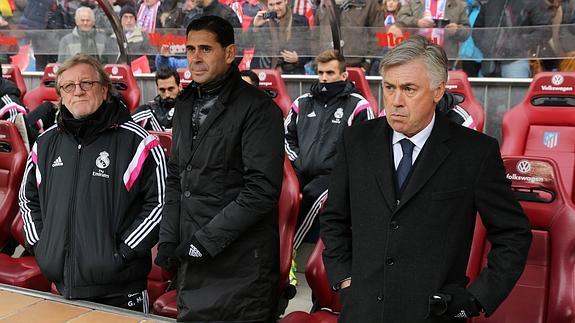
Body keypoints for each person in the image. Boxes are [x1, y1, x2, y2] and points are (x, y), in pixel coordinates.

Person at [320, 35, 532, 322]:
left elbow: (513, 234)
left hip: (432, 313)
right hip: (363, 310)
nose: (395, 101)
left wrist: (476, 297)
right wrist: (344, 279)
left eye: (409, 89)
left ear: (437, 90)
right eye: (389, 87)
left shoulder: (474, 152)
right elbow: (334, 219)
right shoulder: (355, 141)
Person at [154, 15, 284, 322]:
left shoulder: (258, 108)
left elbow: (261, 191)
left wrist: (204, 242)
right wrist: (169, 239)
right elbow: (177, 177)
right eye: (190, 49)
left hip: (240, 269)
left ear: (229, 53)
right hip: (193, 260)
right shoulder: (185, 103)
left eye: (205, 49)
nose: (195, 58)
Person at [18, 54, 166, 312]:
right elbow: (27, 198)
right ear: (60, 95)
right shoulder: (45, 143)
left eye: (86, 83)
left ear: (104, 89)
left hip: (120, 293)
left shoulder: (139, 143)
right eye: (68, 86)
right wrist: (42, 246)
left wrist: (123, 252)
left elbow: (161, 204)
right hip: (61, 288)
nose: (78, 91)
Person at [285, 49, 374, 256]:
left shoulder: (359, 106)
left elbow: (366, 148)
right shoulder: (302, 102)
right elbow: (286, 138)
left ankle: (289, 253)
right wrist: (298, 160)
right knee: (276, 189)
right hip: (301, 168)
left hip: (335, 176)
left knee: (312, 194)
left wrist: (341, 170)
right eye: (321, 73)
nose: (325, 78)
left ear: (343, 75)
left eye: (330, 73)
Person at [472, 0, 551, 77]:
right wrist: (486, 46)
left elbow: (545, 29)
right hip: (489, 62)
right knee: (482, 89)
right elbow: (478, 29)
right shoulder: (491, 2)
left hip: (515, 60)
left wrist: (519, 44)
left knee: (514, 89)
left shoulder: (533, 2)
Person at [397, 0, 470, 64]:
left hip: (445, 58)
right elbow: (400, 19)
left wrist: (457, 30)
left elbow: (467, 31)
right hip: (416, 55)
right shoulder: (413, 2)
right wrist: (417, 22)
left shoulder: (459, 5)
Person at [251, 0, 310, 74]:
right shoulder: (261, 19)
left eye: (278, 3)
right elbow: (246, 45)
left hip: (291, 73)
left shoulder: (300, 21)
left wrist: (298, 58)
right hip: (262, 74)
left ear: (285, 1)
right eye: (271, 5)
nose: (275, 8)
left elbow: (310, 49)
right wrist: (255, 27)